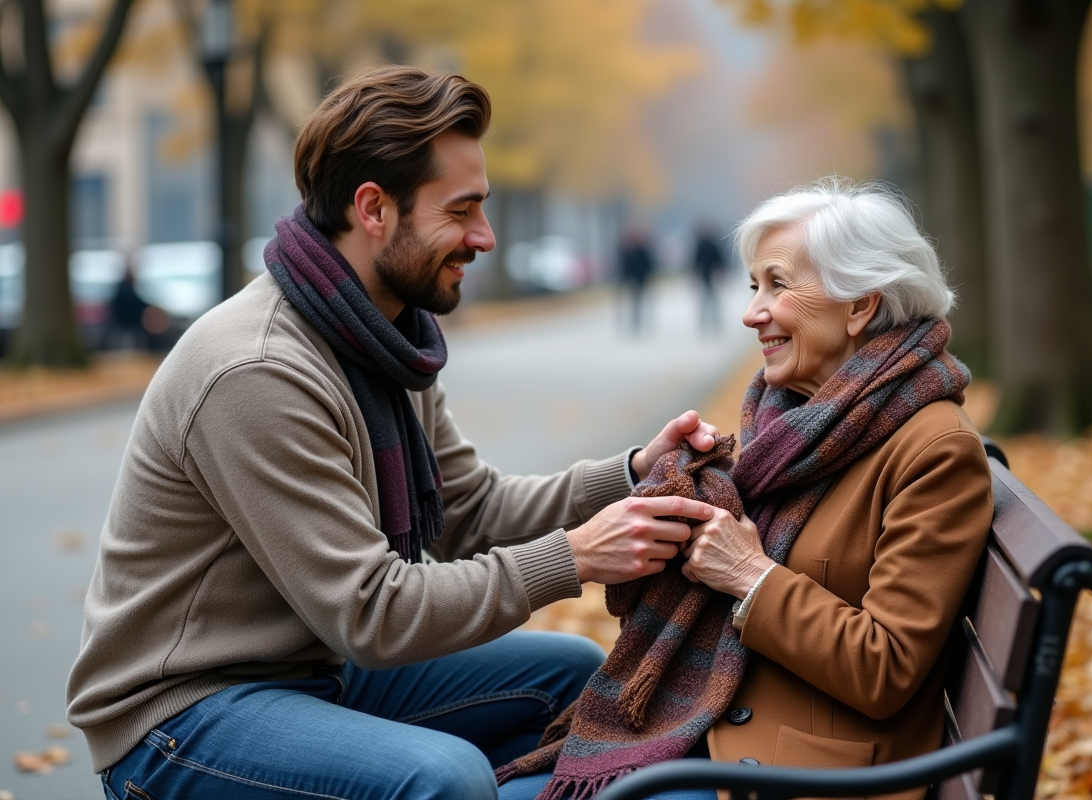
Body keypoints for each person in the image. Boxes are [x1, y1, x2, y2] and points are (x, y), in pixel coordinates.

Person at [65, 65, 722, 800]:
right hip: (184, 715)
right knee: (444, 777)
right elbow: (371, 613)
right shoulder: (257, 370)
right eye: (461, 210)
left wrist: (634, 474)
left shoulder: (382, 335)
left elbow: (469, 509)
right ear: (373, 208)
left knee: (568, 676)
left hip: (314, 670)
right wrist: (576, 556)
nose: (484, 237)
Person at [497, 179, 992, 800]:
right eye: (754, 286)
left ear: (860, 306)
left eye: (777, 285)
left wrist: (748, 575)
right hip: (718, 726)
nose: (752, 313)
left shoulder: (934, 450)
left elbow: (885, 667)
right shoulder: (799, 427)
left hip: (807, 773)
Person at [618, 227, 654, 333]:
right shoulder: (627, 251)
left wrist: (645, 276)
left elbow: (648, 265)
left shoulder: (642, 250)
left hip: (640, 279)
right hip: (630, 279)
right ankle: (633, 320)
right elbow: (624, 266)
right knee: (632, 301)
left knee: (638, 301)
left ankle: (637, 320)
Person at [691, 224, 725, 331]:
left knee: (712, 299)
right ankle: (704, 322)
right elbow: (696, 261)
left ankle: (715, 321)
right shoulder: (700, 244)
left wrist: (721, 271)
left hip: (712, 275)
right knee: (705, 300)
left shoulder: (713, 244)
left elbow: (719, 259)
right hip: (704, 275)